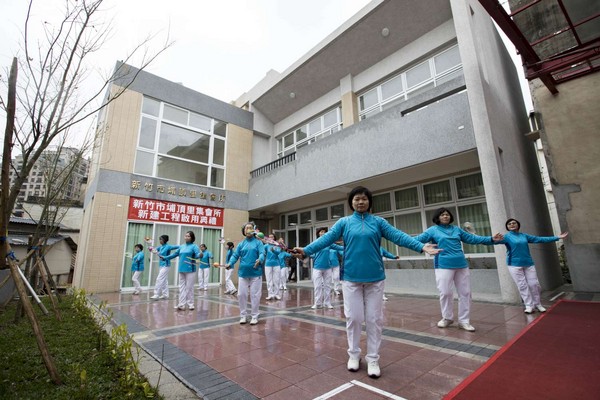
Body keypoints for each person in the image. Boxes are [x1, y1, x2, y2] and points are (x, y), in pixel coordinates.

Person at [294, 186, 440, 379]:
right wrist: (306, 250)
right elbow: (327, 239)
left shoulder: (379, 222)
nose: (360, 202)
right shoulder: (344, 223)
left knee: (374, 320)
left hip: (375, 279)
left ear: (369, 201)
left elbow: (399, 237)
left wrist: (421, 246)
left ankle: (373, 358)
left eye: (364, 199)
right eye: (356, 199)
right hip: (351, 278)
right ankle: (353, 355)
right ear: (351, 203)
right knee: (353, 318)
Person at [415, 208, 503, 332]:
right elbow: (416, 240)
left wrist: (491, 239)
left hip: (461, 264)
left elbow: (473, 239)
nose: (445, 216)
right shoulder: (432, 230)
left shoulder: (456, 229)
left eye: (447, 214)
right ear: (438, 217)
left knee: (465, 293)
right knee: (445, 292)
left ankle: (464, 321)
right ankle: (447, 318)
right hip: (443, 265)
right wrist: (422, 247)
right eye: (442, 214)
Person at [498, 218, 568, 314]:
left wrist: (557, 237)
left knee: (534, 284)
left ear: (518, 225)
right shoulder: (506, 237)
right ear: (507, 227)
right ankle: (529, 305)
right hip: (514, 265)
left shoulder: (524, 236)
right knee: (522, 286)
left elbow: (539, 239)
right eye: (509, 224)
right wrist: (484, 238)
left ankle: (538, 304)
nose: (511, 225)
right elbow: (491, 241)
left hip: (528, 263)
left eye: (514, 223)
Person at [226, 222, 265, 325]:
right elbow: (235, 255)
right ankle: (243, 315)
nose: (248, 229)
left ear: (253, 230)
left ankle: (254, 316)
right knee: (241, 294)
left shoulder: (258, 243)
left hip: (256, 273)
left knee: (255, 295)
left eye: (250, 228)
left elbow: (262, 253)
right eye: (246, 228)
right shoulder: (241, 244)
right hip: (243, 273)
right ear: (243, 231)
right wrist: (230, 263)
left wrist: (260, 259)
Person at [163, 231, 202, 311]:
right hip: (181, 269)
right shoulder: (181, 246)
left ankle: (191, 304)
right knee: (181, 288)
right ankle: (181, 304)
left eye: (188, 236)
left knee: (189, 288)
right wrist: (165, 257)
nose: (186, 237)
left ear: (192, 238)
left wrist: (200, 255)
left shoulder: (194, 246)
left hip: (190, 269)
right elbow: (174, 254)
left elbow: (197, 255)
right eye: (186, 236)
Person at [308, 227, 343, 309]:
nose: (322, 233)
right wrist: (313, 256)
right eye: (321, 232)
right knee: (318, 286)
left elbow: (339, 247)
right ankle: (317, 303)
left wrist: (350, 246)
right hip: (317, 267)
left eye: (324, 232)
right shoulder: (315, 242)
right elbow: (309, 252)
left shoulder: (328, 243)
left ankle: (327, 303)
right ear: (318, 233)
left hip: (327, 267)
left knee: (328, 286)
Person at [150, 235, 177, 300]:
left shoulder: (168, 246)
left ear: (165, 240)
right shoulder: (161, 247)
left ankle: (156, 294)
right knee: (164, 280)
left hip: (166, 265)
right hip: (161, 265)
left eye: (161, 239)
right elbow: (154, 249)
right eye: (159, 239)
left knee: (159, 279)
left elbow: (178, 246)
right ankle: (165, 295)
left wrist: (183, 247)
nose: (160, 241)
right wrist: (151, 249)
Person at [264, 233, 282, 300]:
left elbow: (278, 252)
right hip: (268, 264)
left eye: (272, 237)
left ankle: (276, 294)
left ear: (274, 238)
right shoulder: (266, 246)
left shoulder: (277, 245)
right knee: (269, 280)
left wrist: (274, 250)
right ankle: (270, 294)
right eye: (269, 237)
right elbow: (262, 252)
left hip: (276, 264)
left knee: (276, 280)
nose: (271, 238)